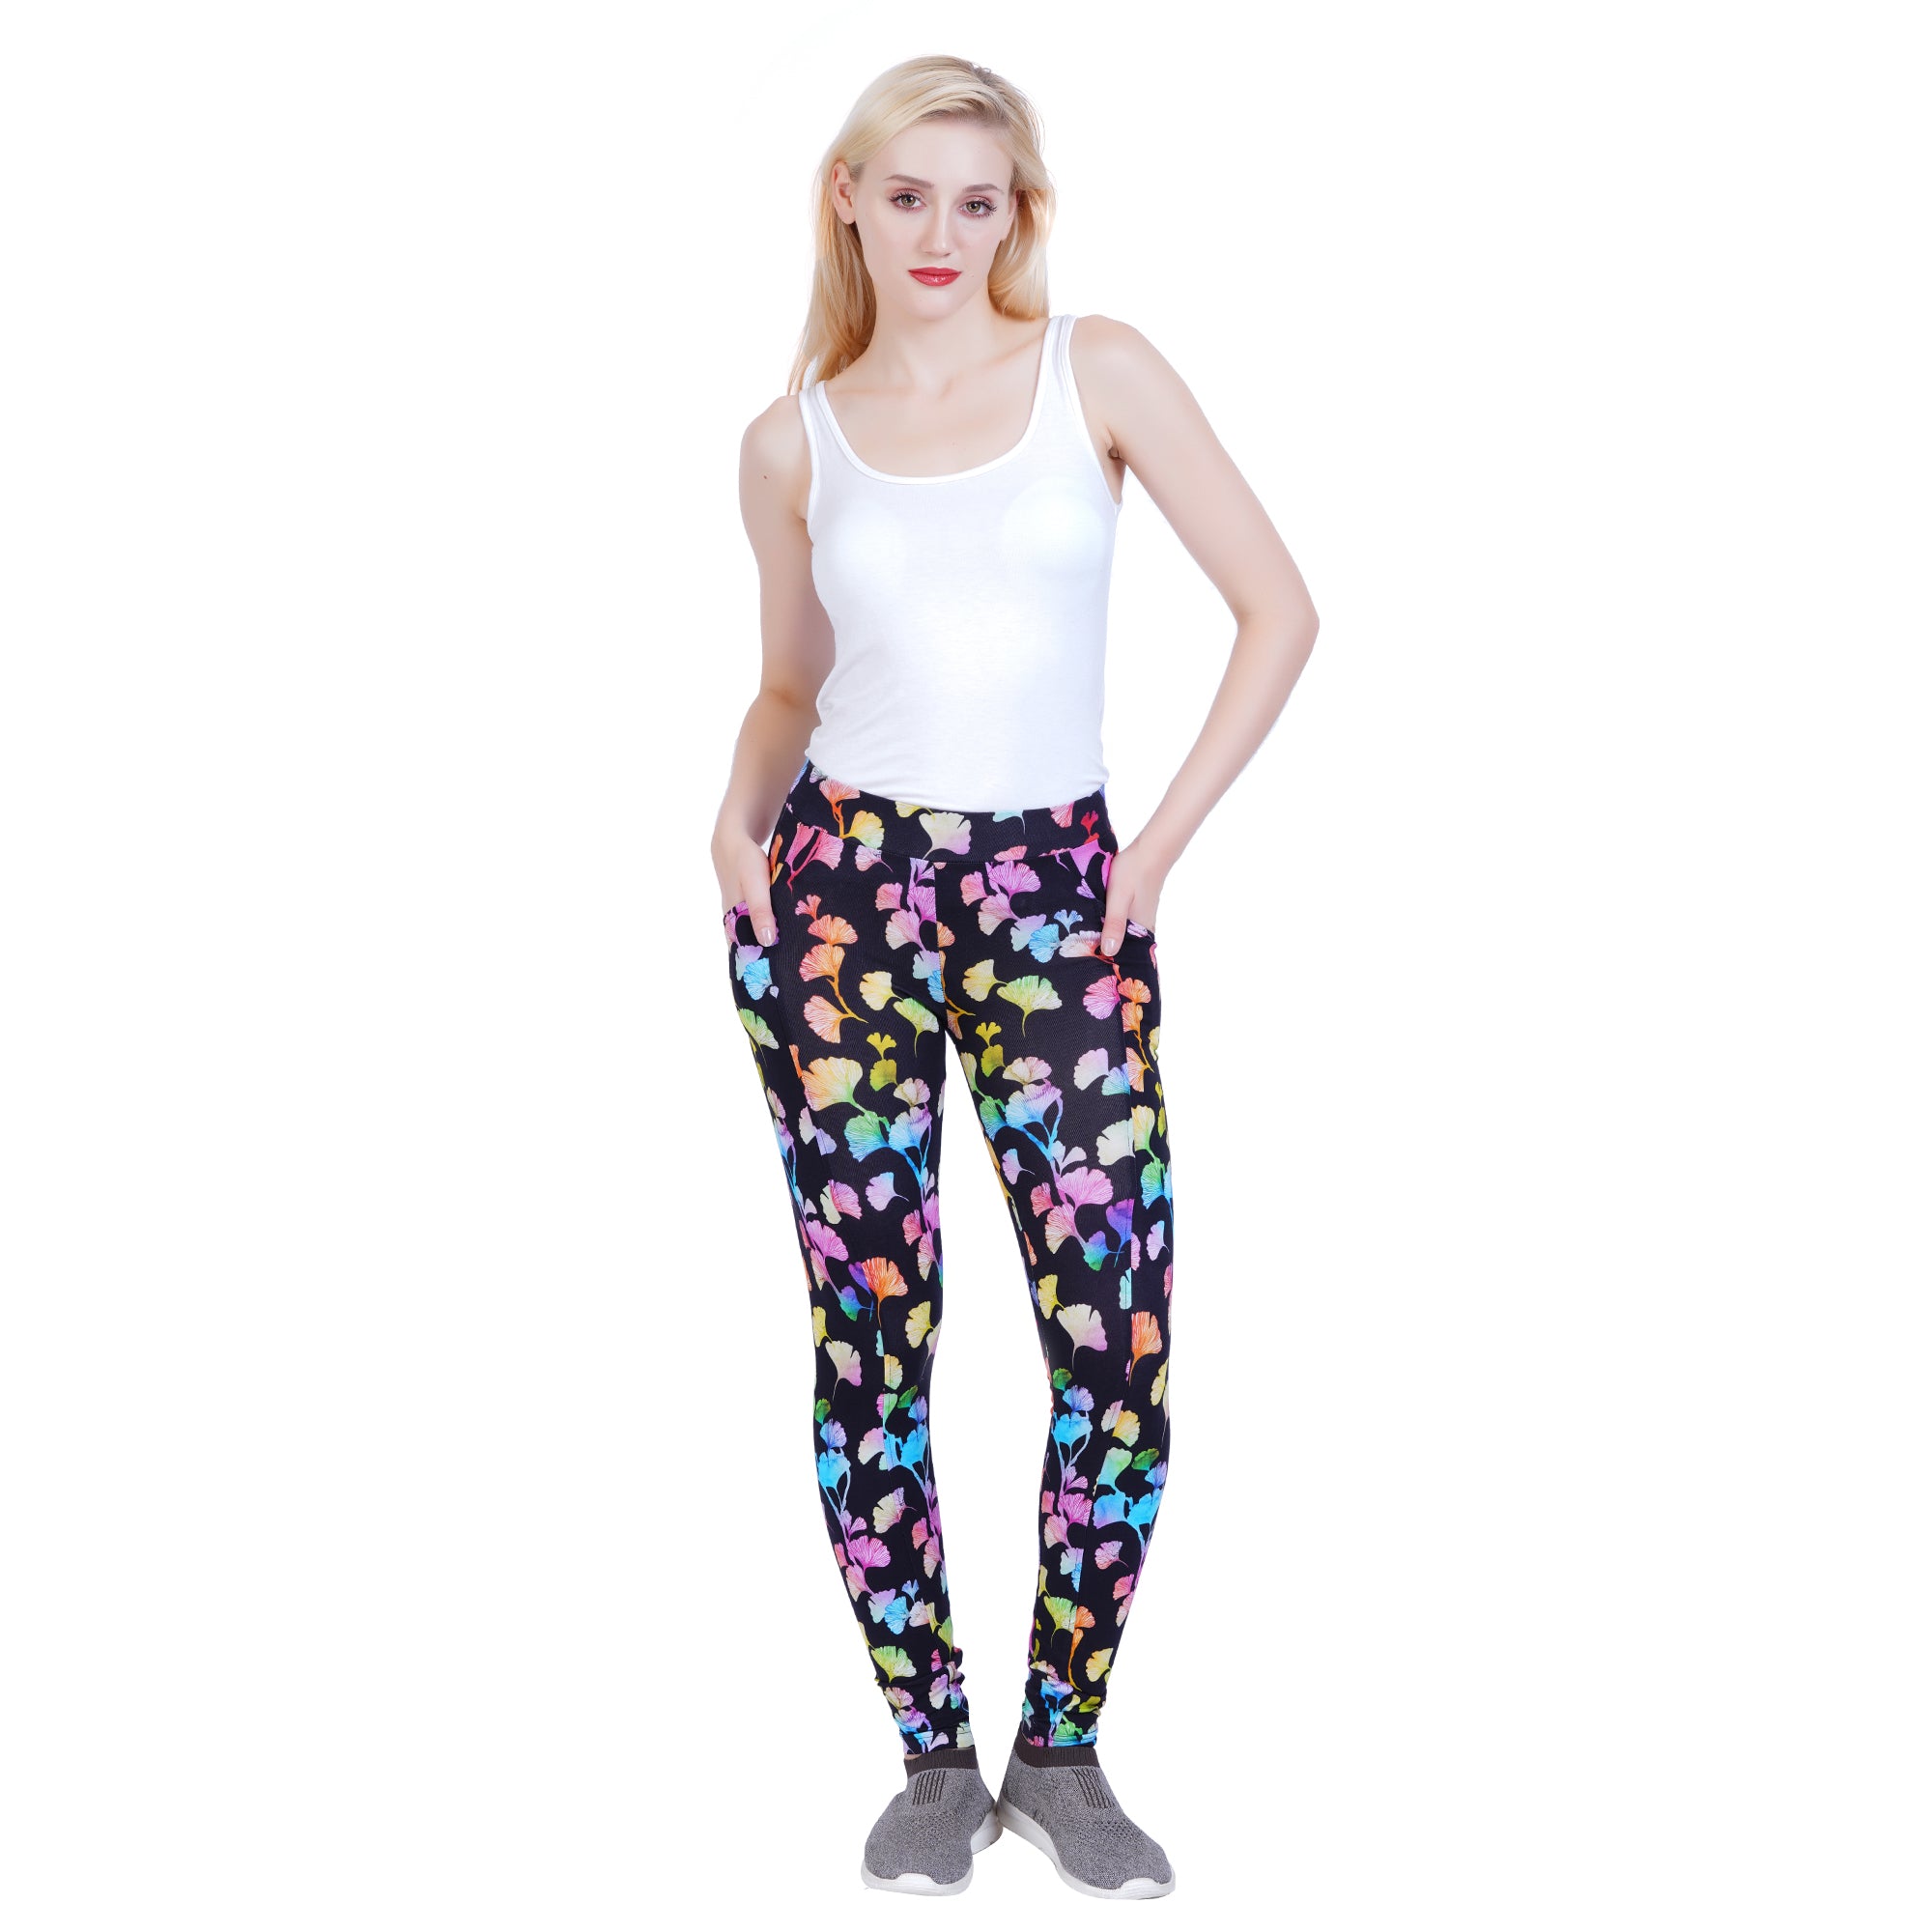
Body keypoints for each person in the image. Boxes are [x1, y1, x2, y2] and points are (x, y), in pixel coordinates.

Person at [711, 55, 1318, 1899]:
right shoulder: (791, 442)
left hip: (1062, 890)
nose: (943, 235)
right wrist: (733, 824)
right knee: (873, 1338)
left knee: (1114, 1338)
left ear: (1019, 215)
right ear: (847, 198)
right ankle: (928, 1756)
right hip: (840, 904)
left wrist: (1150, 856)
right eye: (908, 196)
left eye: (979, 202)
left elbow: (1281, 610)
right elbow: (794, 685)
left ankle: (1060, 1748)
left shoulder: (1096, 372)